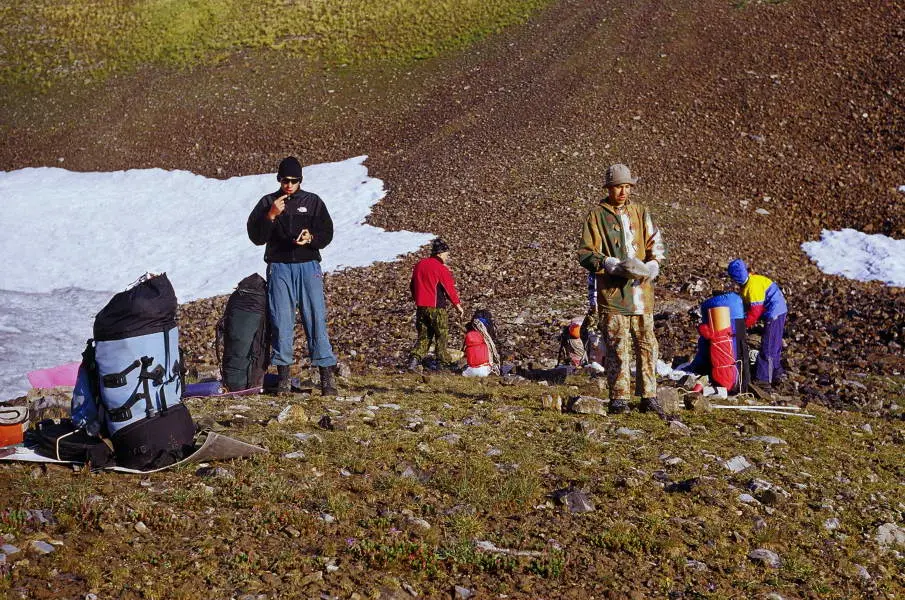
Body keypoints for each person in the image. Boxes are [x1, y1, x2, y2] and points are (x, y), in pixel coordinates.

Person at [578, 163, 667, 416]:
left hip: (642, 294)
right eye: (619, 187)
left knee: (647, 344)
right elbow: (585, 253)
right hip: (613, 295)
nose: (623, 192)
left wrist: (652, 265)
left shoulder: (641, 212)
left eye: (627, 187)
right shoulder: (597, 216)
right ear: (609, 188)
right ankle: (619, 397)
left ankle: (649, 395)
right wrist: (609, 264)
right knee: (617, 345)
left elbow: (655, 244)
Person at [247, 156, 338, 396]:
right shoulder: (268, 202)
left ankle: (326, 379)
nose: (289, 185)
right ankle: (284, 380)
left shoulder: (313, 201)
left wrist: (312, 239)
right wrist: (271, 215)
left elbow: (327, 232)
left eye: (294, 180)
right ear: (278, 179)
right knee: (281, 320)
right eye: (285, 180)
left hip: (308, 265)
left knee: (316, 317)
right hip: (279, 267)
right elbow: (256, 237)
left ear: (300, 180)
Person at [727, 258, 788, 386]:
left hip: (775, 313)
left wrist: (742, 327)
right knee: (775, 344)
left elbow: (755, 312)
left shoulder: (752, 286)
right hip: (779, 310)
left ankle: (764, 379)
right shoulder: (751, 283)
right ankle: (776, 373)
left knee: (769, 345)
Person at [408, 238, 464, 371]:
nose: (447, 257)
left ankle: (414, 361)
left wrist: (418, 300)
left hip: (421, 307)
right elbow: (449, 289)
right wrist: (458, 306)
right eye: (446, 254)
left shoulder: (419, 265)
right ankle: (442, 363)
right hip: (437, 307)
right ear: (440, 253)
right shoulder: (440, 268)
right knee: (441, 334)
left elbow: (412, 285)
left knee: (424, 335)